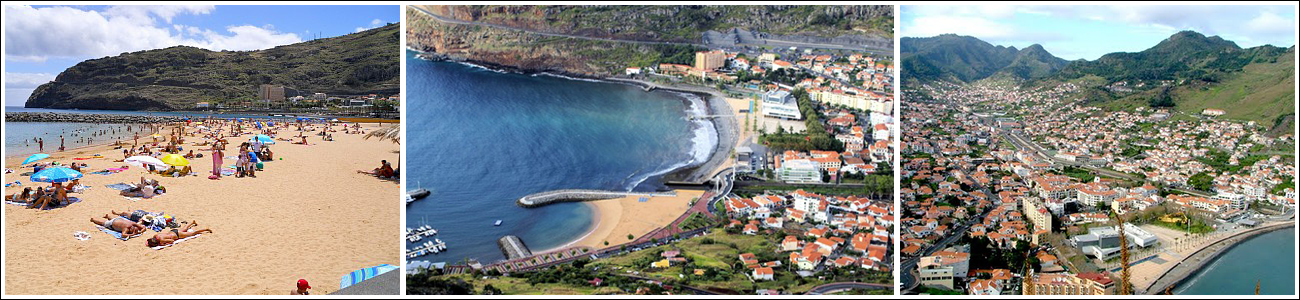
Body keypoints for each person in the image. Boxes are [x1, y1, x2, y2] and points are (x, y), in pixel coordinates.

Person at [145, 221, 212, 248]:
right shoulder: (155, 236)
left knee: (193, 233)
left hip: (177, 235)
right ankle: (192, 222)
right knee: (184, 228)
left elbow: (172, 241)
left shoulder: (161, 240)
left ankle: (205, 229)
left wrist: (165, 244)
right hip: (173, 231)